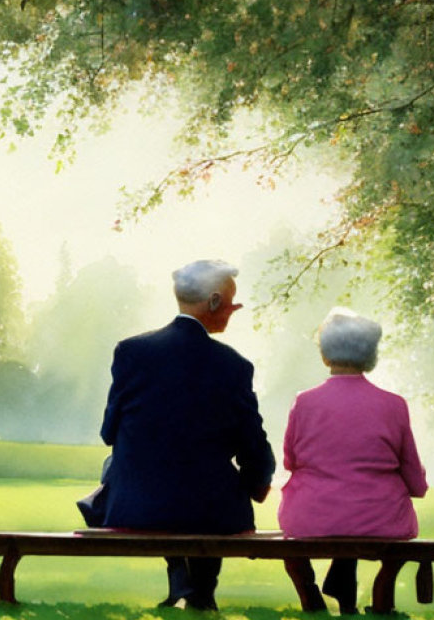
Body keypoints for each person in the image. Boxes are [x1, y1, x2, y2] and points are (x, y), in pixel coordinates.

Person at [94, 259, 276, 610]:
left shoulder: (131, 351)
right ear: (212, 302)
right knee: (207, 481)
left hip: (136, 507)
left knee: (136, 467)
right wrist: (259, 482)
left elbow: (108, 432)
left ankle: (182, 581)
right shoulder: (233, 365)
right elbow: (252, 443)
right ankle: (201, 592)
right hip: (212, 510)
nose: (233, 311)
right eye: (232, 303)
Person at [278, 307, 428, 614]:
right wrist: (417, 487)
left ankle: (310, 594)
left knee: (296, 535)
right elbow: (413, 474)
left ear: (325, 352)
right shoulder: (393, 405)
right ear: (370, 354)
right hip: (380, 517)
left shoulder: (304, 402)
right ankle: (381, 590)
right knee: (364, 517)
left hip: (311, 515)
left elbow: (290, 461)